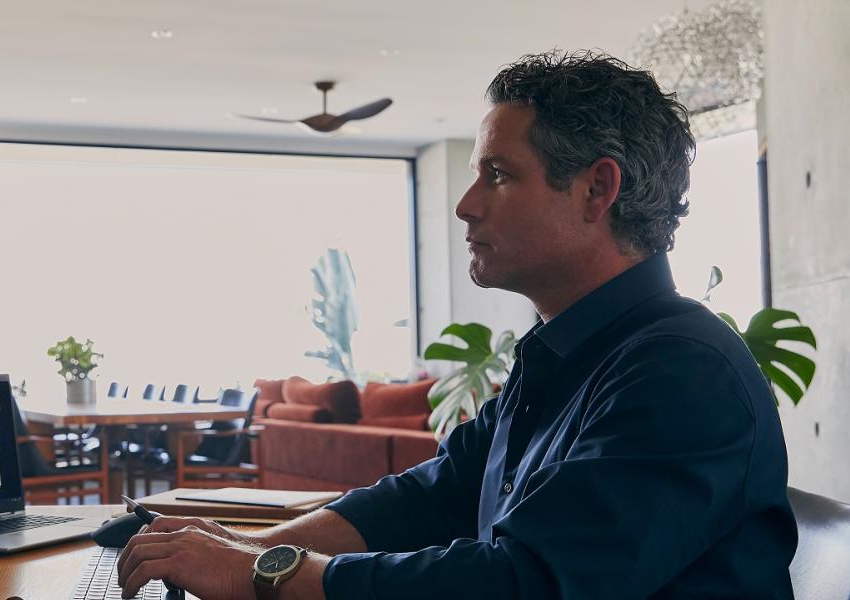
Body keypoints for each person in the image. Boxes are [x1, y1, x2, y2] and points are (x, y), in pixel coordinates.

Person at [116, 50, 797, 599]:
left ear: (597, 189)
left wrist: (266, 577)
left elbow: (526, 583)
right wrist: (253, 549)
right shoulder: (569, 352)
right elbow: (433, 494)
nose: (466, 205)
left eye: (497, 174)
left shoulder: (683, 371)